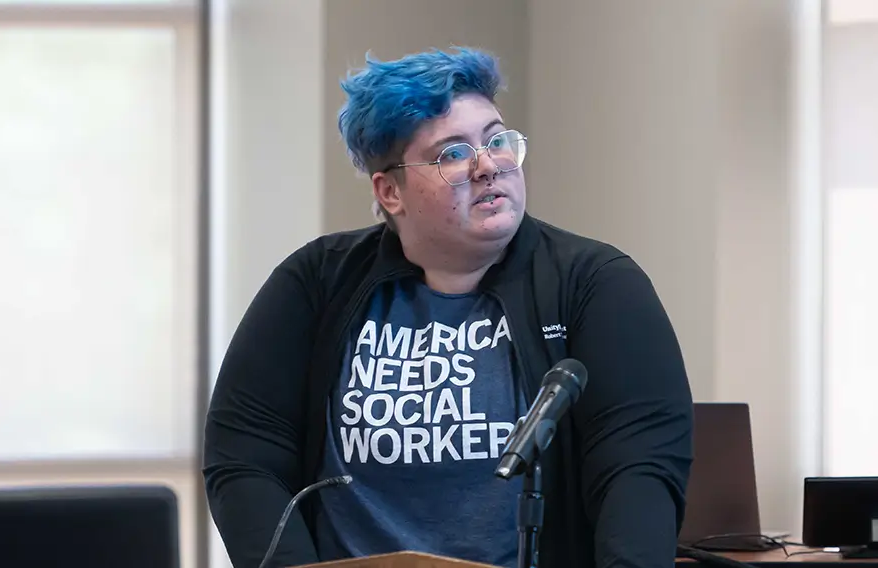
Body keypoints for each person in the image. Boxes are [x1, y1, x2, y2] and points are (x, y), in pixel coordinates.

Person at [203, 46, 693, 568]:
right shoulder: (315, 283)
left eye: (497, 140)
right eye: (453, 154)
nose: (489, 166)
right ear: (390, 191)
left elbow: (639, 471)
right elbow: (245, 457)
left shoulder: (597, 285)